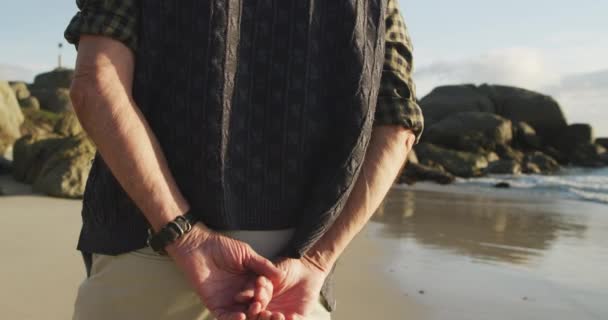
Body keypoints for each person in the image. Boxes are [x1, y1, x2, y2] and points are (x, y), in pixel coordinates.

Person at [64, 0, 423, 319]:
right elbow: (397, 126)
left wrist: (183, 234)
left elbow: (97, 84)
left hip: (145, 245)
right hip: (292, 282)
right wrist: (317, 259)